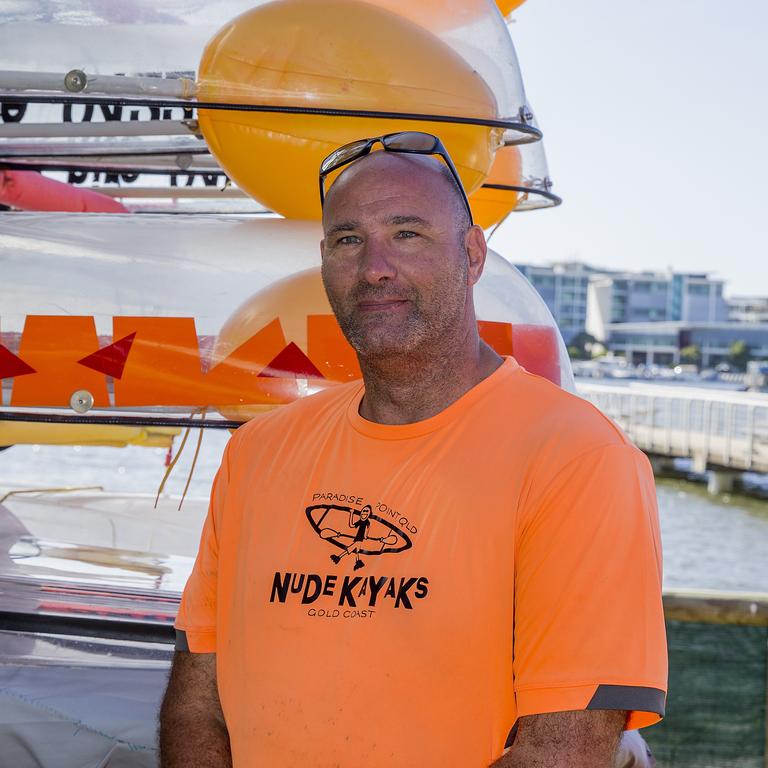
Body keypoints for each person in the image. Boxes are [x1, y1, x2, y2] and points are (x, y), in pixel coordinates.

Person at [159, 132, 667, 768]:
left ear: (472, 253)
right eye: (349, 239)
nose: (374, 266)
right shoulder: (259, 452)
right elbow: (197, 700)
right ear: (324, 263)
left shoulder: (578, 459)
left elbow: (560, 751)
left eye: (407, 233)